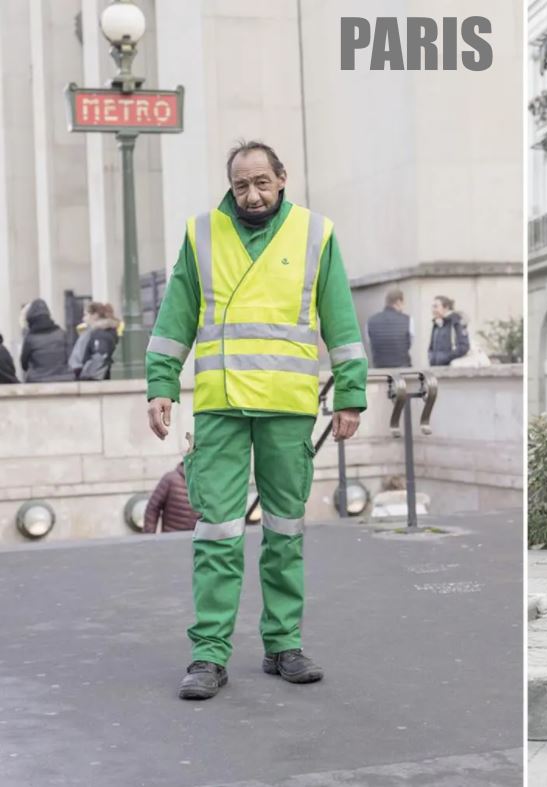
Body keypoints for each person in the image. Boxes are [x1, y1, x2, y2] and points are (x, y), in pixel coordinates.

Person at [145, 140, 368, 700]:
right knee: (216, 532)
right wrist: (161, 385)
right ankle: (208, 655)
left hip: (288, 406)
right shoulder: (201, 234)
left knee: (284, 531)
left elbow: (340, 317)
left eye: (262, 182)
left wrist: (351, 394)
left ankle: (283, 645)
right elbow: (176, 315)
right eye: (242, 184)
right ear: (231, 185)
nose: (252, 193)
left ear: (282, 178)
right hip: (220, 405)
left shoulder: (317, 233)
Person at [20, 298, 76, 382]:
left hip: (38, 380)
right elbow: (70, 356)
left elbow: (24, 364)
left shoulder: (30, 338)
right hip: (64, 378)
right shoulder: (61, 333)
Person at [143, 460, 200, 533]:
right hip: (172, 539)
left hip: (196, 540)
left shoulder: (207, 482)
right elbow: (152, 508)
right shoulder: (170, 479)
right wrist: (149, 537)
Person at [69, 302, 120, 380]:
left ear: (95, 315)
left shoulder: (99, 334)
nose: (83, 318)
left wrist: (85, 376)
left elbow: (99, 357)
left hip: (91, 377)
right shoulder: (97, 332)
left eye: (86, 315)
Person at [366, 288, 413, 368]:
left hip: (380, 372)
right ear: (398, 302)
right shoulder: (408, 320)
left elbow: (370, 342)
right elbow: (410, 342)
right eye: (403, 303)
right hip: (402, 371)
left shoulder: (370, 321)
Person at [427, 295, 469, 366]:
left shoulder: (456, 322)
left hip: (451, 370)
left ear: (446, 307)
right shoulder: (437, 324)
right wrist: (431, 357)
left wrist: (445, 358)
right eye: (432, 307)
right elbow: (431, 347)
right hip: (436, 368)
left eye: (436, 306)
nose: (433, 310)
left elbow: (463, 347)